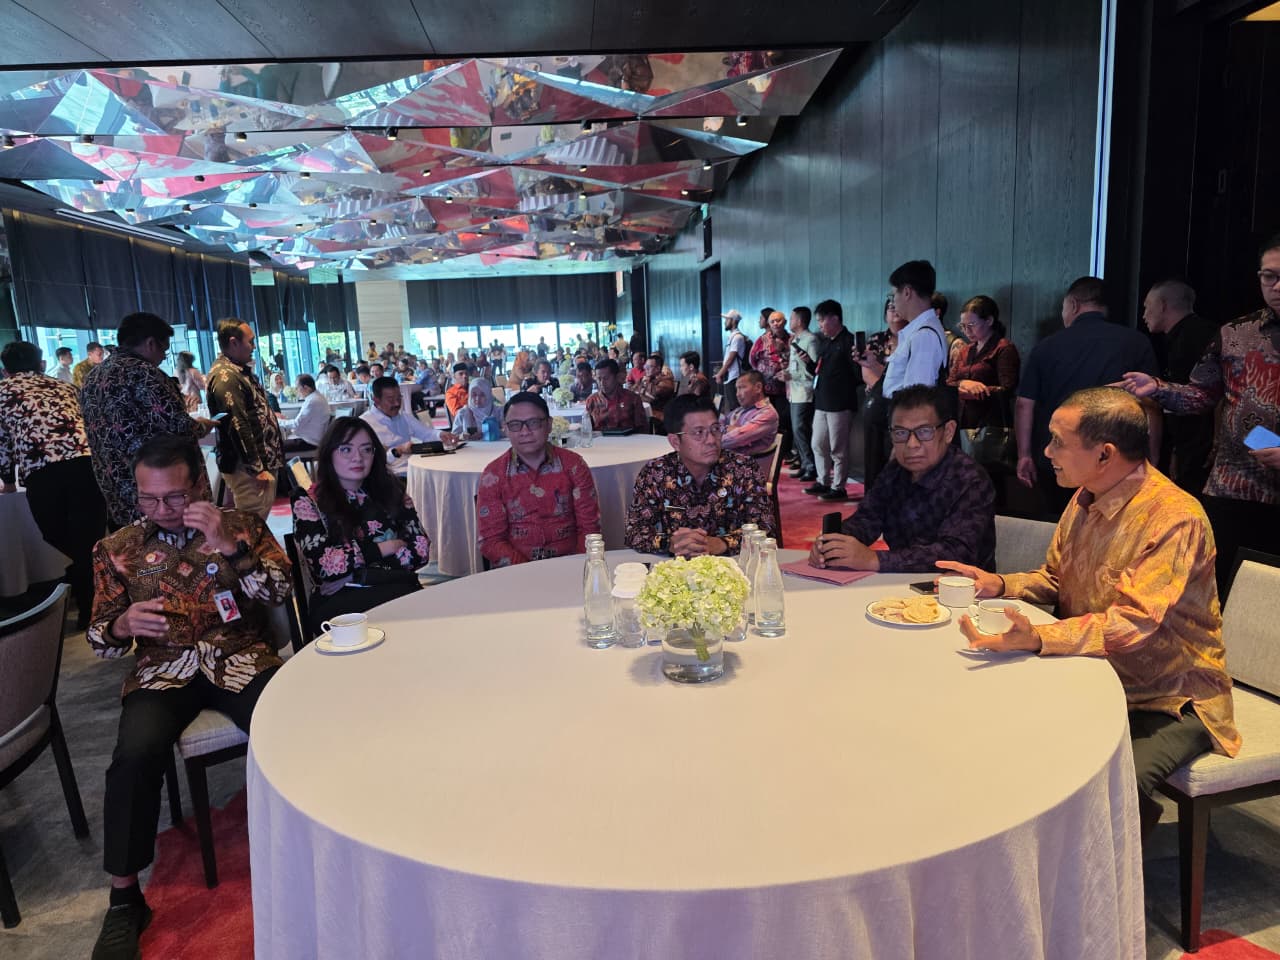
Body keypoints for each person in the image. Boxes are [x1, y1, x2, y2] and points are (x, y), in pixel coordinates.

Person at [939, 387, 1239, 839]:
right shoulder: (1086, 495)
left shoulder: (1174, 518)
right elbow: (1057, 578)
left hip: (1169, 697)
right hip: (1091, 673)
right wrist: (998, 584)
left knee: (1109, 784)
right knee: (996, 732)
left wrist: (1040, 637)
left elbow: (1133, 624)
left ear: (1105, 454)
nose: (1046, 452)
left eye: (1058, 441)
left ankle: (1109, 875)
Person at [87, 433, 291, 960]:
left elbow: (279, 593)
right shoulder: (117, 550)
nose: (163, 510)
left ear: (200, 484)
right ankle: (125, 898)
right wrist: (121, 626)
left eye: (175, 496)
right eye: (149, 499)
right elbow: (100, 640)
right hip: (163, 670)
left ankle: (311, 846)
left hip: (240, 656)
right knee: (134, 756)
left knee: (293, 728)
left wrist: (230, 546)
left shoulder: (242, 524)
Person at [1120, 235, 1280, 597]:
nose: (1277, 286)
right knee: (1220, 590)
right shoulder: (1235, 334)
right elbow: (1202, 395)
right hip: (1235, 484)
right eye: (1269, 276)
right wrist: (1158, 388)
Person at [1017, 276, 1160, 519]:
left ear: (1073, 305)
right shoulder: (1136, 342)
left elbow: (1024, 405)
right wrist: (1152, 458)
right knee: (1118, 525)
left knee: (1062, 521)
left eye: (1063, 308)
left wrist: (1024, 455)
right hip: (1118, 459)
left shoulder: (1047, 346)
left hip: (1060, 459)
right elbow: (1151, 405)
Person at [809, 385, 995, 572]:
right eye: (900, 433)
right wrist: (835, 542)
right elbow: (867, 520)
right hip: (900, 582)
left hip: (961, 587)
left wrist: (875, 560)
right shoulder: (895, 472)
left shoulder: (969, 479)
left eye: (924, 432)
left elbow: (956, 553)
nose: (912, 444)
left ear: (948, 431)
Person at [0, 341, 108, 627]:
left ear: (5, 370)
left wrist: (8, 481)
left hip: (43, 471)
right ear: (41, 364)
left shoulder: (2, 391)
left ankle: (87, 599)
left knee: (57, 535)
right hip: (87, 465)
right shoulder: (66, 387)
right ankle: (92, 602)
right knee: (88, 540)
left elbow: (2, 443)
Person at [290, 417, 429, 633]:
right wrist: (387, 547)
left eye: (366, 449)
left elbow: (420, 551)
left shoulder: (392, 491)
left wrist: (354, 573)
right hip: (341, 605)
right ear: (329, 454)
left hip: (395, 587)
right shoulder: (309, 502)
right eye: (346, 449)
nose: (358, 458)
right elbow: (326, 566)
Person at [80, 312, 213, 528]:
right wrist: (202, 426)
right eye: (164, 350)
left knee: (134, 544)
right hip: (160, 489)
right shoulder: (144, 373)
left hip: (117, 489)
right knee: (180, 545)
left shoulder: (92, 377)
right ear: (151, 343)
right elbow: (179, 426)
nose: (162, 358)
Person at [626, 394, 773, 557]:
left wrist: (723, 543)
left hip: (733, 566)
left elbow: (765, 529)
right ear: (675, 442)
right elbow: (634, 532)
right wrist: (670, 543)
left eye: (715, 429)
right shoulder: (656, 473)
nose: (711, 440)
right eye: (699, 432)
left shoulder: (744, 470)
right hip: (674, 567)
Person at [477, 392, 601, 567]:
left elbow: (590, 528)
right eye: (515, 425)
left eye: (533, 423)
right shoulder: (494, 475)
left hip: (571, 566)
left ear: (549, 425)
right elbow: (491, 540)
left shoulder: (573, 465)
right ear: (505, 428)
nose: (525, 432)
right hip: (516, 571)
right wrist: (529, 570)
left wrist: (578, 567)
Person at [1139, 279, 1218, 495]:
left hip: (1200, 451)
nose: (1144, 314)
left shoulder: (1192, 339)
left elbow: (1206, 398)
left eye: (1147, 306)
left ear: (1162, 305)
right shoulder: (1191, 334)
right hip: (1191, 447)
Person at [205, 319, 285, 520]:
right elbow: (237, 423)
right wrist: (256, 468)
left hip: (257, 462)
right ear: (234, 342)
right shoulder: (226, 376)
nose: (254, 347)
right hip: (247, 467)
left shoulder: (236, 370)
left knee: (257, 519)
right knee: (252, 521)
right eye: (250, 341)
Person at [946, 295, 1020, 504]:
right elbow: (950, 382)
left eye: (971, 325)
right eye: (963, 326)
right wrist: (964, 384)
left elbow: (1007, 389)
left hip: (989, 425)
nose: (966, 331)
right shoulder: (966, 350)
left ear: (989, 321)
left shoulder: (1003, 348)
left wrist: (977, 390)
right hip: (964, 423)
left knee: (988, 482)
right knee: (964, 482)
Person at [801, 299, 859, 501]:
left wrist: (841, 384)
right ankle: (823, 480)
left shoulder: (849, 341)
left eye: (821, 320)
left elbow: (858, 375)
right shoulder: (825, 342)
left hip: (840, 404)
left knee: (838, 449)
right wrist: (809, 363)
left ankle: (839, 487)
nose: (819, 325)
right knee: (817, 444)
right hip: (822, 402)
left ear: (834, 319)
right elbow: (819, 371)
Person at [878, 260, 948, 401]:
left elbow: (916, 400)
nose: (893, 302)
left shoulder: (924, 336)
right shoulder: (919, 331)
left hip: (903, 412)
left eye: (893, 295)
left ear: (907, 292)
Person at [361, 376, 446, 477]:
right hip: (391, 476)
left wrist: (442, 435)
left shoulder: (403, 416)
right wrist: (398, 450)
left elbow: (426, 433)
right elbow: (371, 461)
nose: (397, 403)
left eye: (399, 398)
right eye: (391, 400)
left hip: (414, 469)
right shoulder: (365, 424)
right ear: (376, 400)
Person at [749, 309, 791, 460]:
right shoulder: (762, 339)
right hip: (766, 388)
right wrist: (764, 371)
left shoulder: (791, 339)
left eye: (778, 321)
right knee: (764, 420)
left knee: (784, 420)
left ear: (785, 322)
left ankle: (784, 451)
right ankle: (766, 450)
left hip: (784, 389)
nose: (775, 324)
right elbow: (752, 359)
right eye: (772, 321)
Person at [783, 306, 819, 482]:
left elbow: (814, 369)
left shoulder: (810, 340)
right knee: (797, 430)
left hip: (805, 391)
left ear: (799, 320)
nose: (789, 322)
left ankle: (811, 466)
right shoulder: (796, 340)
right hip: (794, 391)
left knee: (801, 429)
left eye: (791, 318)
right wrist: (787, 374)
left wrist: (792, 376)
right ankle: (805, 464)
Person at [719, 370, 779, 456]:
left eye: (742, 387)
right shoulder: (740, 409)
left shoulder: (767, 413)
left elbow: (735, 439)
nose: (737, 394)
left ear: (758, 388)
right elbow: (718, 423)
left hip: (749, 462)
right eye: (737, 389)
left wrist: (711, 441)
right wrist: (728, 429)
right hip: (730, 458)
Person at [585, 358, 648, 433]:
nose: (602, 383)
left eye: (606, 378)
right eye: (599, 379)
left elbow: (642, 428)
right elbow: (587, 430)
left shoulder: (632, 399)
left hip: (628, 439)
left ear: (616, 377)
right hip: (600, 439)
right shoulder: (592, 400)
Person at [276, 373, 330, 450]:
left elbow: (296, 424)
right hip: (314, 438)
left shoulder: (312, 401)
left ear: (306, 388)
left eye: (297, 388)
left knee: (277, 447)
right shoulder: (317, 396)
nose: (297, 390)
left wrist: (278, 421)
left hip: (310, 442)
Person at [713, 309, 751, 413]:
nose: (725, 322)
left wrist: (720, 374)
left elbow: (731, 358)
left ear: (733, 321)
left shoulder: (737, 337)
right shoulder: (733, 336)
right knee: (732, 405)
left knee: (735, 406)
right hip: (730, 376)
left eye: (727, 319)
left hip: (734, 376)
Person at [634, 353, 676, 433]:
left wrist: (646, 384)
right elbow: (633, 392)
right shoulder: (647, 378)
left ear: (658, 368)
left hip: (658, 414)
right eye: (645, 366)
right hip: (645, 412)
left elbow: (650, 397)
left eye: (649, 367)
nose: (646, 369)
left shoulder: (666, 382)